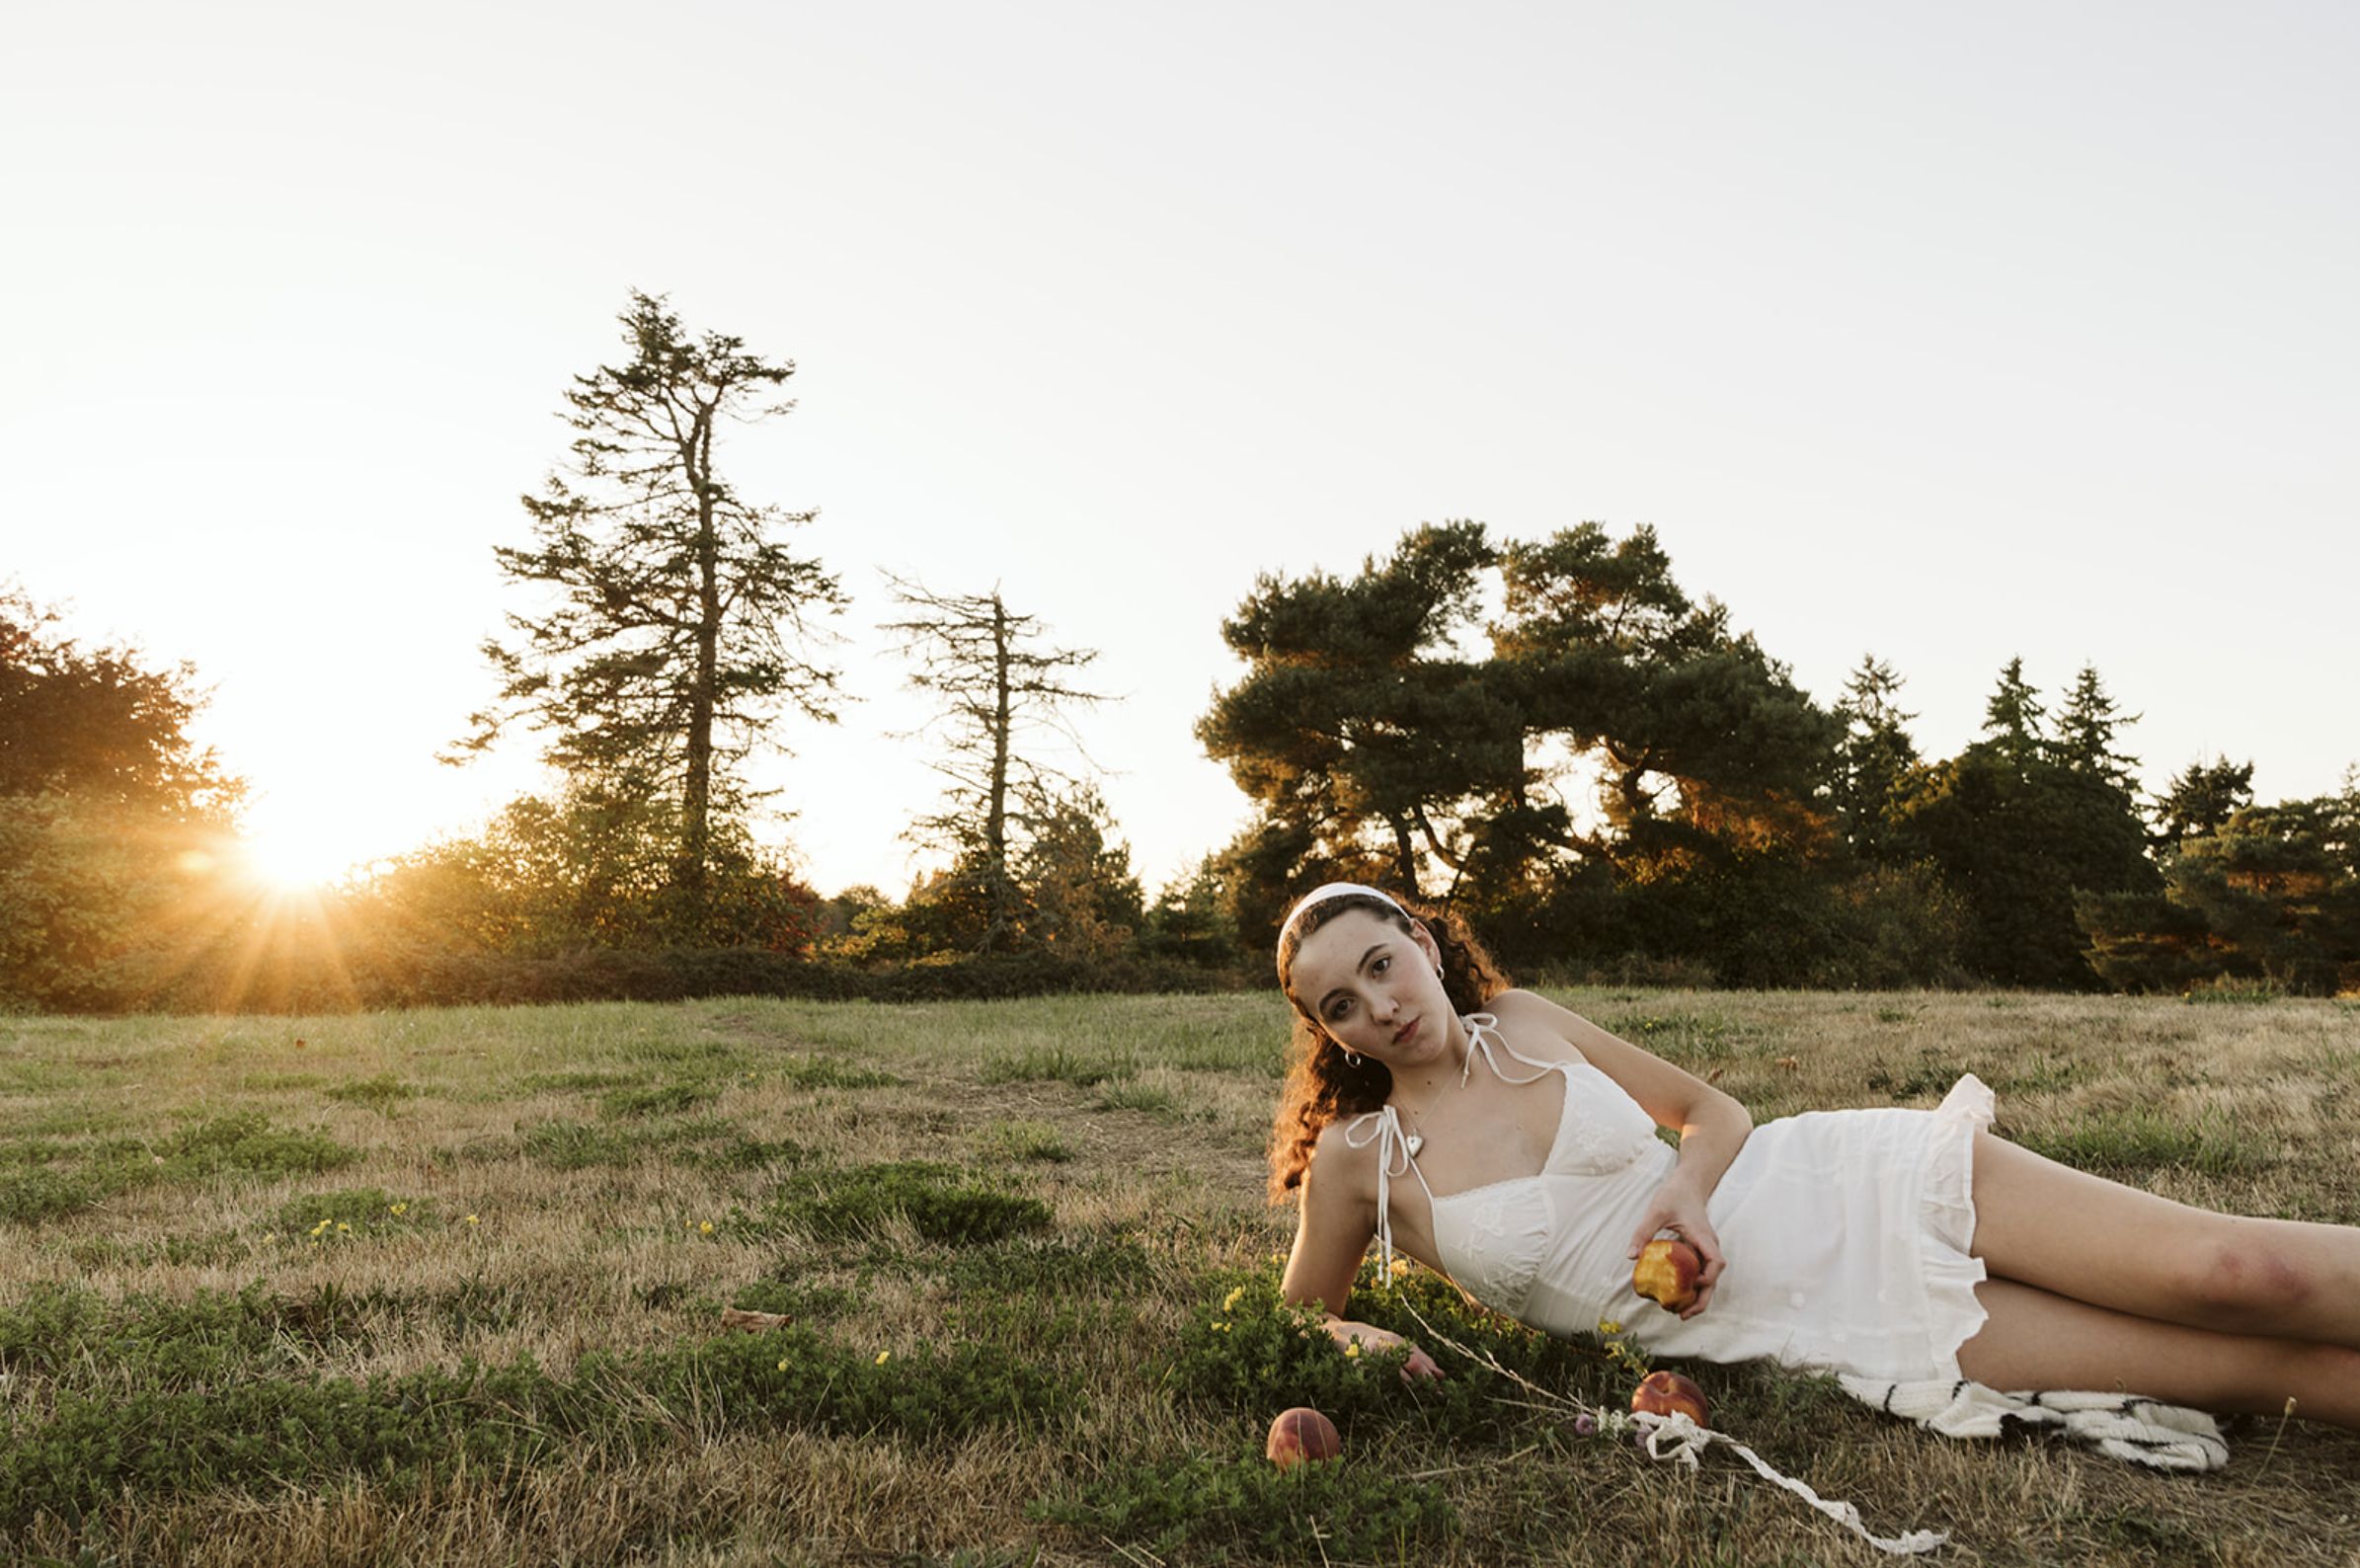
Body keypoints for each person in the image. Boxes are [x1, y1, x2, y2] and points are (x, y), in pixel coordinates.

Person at [1271, 882, 2360, 1426]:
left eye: (1380, 962)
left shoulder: (1525, 1018)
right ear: (1329, 1033)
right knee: (2258, 1377)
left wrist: (1685, 1196)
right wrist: (1351, 1338)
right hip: (1808, 1320)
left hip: (1828, 1181)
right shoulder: (1364, 1162)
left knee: (2232, 1275)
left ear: (1421, 938)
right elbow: (1289, 1314)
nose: (1378, 1004)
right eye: (1340, 1004)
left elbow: (1710, 1110)